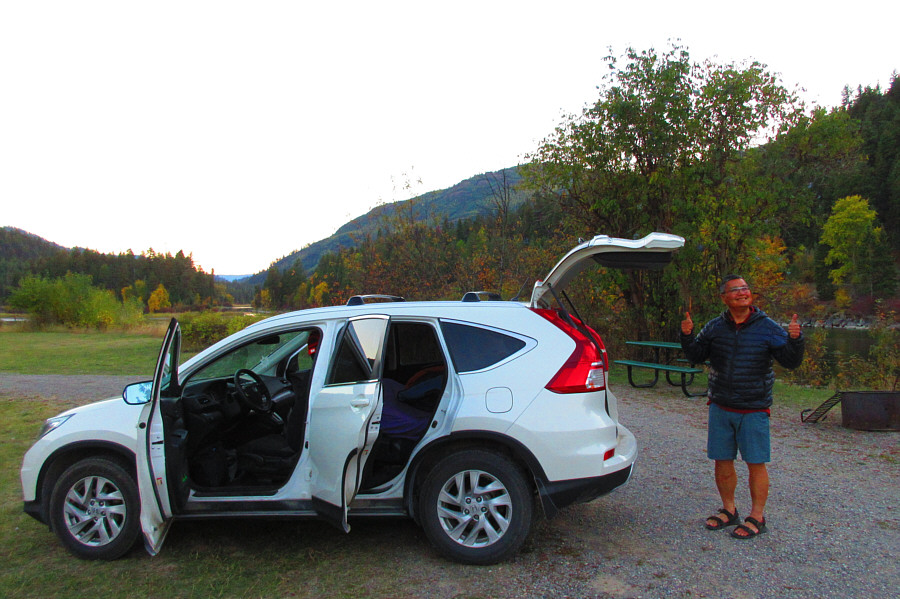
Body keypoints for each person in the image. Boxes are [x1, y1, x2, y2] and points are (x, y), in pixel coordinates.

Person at [680, 275, 804, 539]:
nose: (742, 293)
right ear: (724, 297)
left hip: (753, 407)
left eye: (745, 289)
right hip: (721, 405)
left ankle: (757, 517)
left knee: (755, 463)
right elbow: (696, 356)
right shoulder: (714, 327)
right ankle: (729, 510)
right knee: (722, 461)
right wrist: (687, 336)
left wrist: (795, 340)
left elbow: (791, 361)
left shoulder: (767, 327)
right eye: (735, 290)